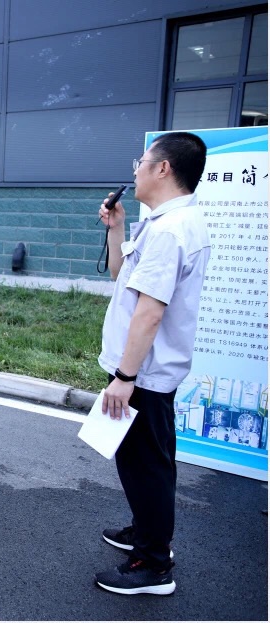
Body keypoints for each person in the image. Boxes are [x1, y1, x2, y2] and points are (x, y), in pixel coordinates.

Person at [93, 131, 211, 596]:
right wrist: (117, 229)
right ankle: (147, 534)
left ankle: (154, 565)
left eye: (141, 162)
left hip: (142, 374)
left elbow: (150, 311)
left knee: (146, 466)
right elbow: (126, 279)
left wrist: (124, 377)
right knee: (145, 461)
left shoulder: (169, 230)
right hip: (144, 371)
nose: (135, 170)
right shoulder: (163, 222)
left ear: (163, 169)